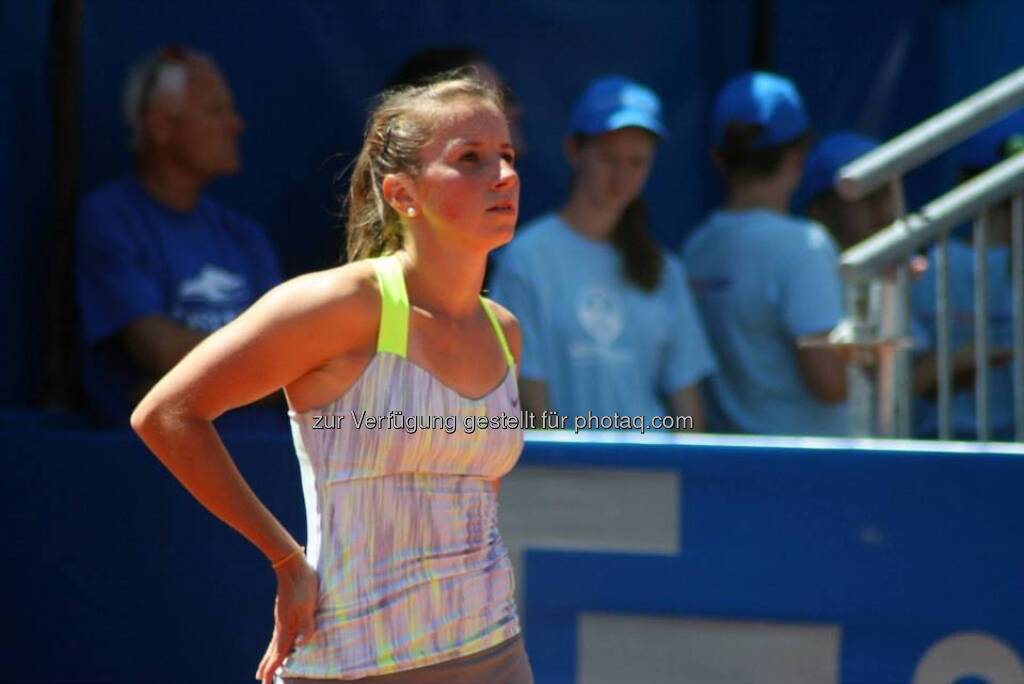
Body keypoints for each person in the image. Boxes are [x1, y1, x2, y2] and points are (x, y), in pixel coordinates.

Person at [131, 74, 533, 683]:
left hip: (495, 653)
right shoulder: (336, 307)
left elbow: (476, 494)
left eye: (505, 156)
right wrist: (287, 561)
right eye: (470, 159)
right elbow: (166, 415)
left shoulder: (505, 332)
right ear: (402, 194)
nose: (502, 176)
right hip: (350, 661)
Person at [489, 75, 716, 431]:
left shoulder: (664, 269)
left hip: (651, 476)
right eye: (608, 158)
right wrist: (566, 476)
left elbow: (687, 403)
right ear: (573, 150)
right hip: (566, 476)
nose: (621, 176)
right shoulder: (529, 257)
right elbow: (527, 398)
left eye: (637, 162)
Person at [75, 45, 283, 428]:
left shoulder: (242, 234)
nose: (236, 124)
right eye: (215, 111)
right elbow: (161, 351)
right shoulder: (110, 218)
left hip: (260, 451)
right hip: (151, 463)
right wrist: (264, 370)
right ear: (161, 127)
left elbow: (293, 356)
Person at [683, 71, 848, 436]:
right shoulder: (805, 246)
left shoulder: (696, 248)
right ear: (799, 156)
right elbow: (831, 385)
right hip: (806, 471)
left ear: (718, 158)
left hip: (735, 464)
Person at [909, 110, 1022, 440]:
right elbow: (910, 385)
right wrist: (957, 363)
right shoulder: (926, 268)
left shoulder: (927, 264)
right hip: (940, 448)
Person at [800, 131, 901, 250]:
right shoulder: (800, 265)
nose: (882, 211)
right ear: (820, 210)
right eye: (868, 196)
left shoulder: (922, 264)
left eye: (885, 192)